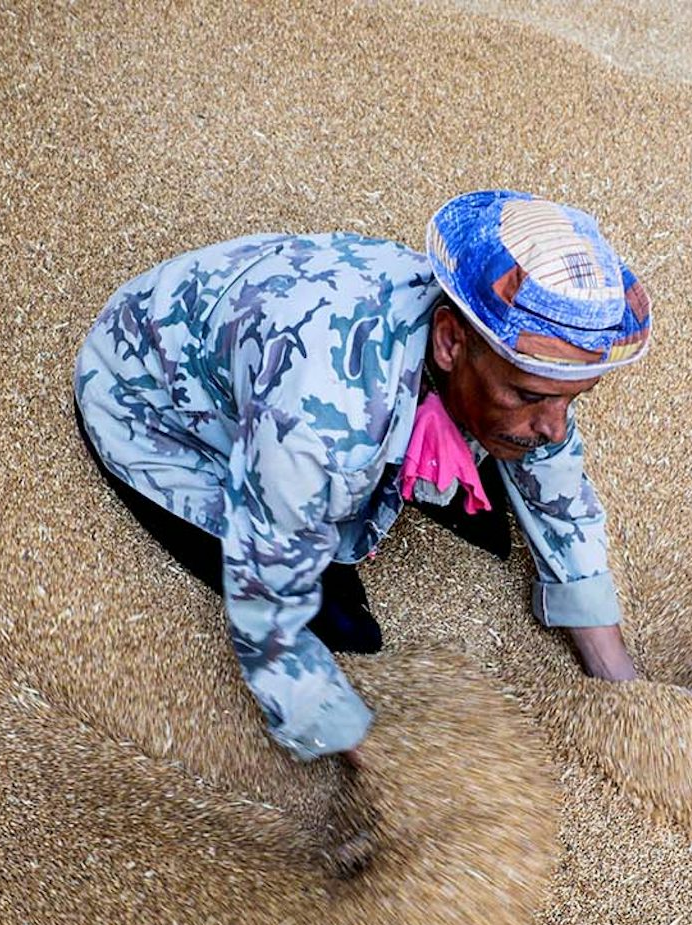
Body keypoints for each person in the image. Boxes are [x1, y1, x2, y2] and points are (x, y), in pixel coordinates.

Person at [73, 189, 652, 767]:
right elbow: (269, 597)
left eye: (571, 400)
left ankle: (454, 435)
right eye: (531, 396)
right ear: (451, 341)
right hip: (151, 400)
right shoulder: (322, 424)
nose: (554, 427)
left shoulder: (484, 342)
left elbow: (557, 478)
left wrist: (617, 676)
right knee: (345, 631)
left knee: (501, 487)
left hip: (274, 331)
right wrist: (369, 760)